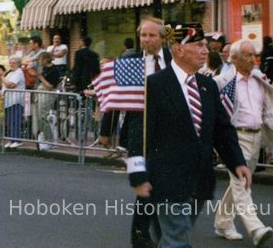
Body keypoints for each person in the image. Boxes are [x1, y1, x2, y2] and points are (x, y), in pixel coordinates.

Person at [127, 23, 250, 248]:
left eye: (206, 46)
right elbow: (138, 132)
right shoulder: (154, 85)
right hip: (167, 180)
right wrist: (137, 174)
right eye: (199, 45)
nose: (206, 50)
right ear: (179, 49)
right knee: (177, 239)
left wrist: (237, 162)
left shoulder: (208, 86)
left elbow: (222, 129)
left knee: (175, 237)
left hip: (200, 181)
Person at [212, 39, 273, 245]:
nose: (253, 59)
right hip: (235, 137)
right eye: (248, 56)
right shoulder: (223, 81)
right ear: (235, 59)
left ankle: (223, 223)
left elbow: (270, 105)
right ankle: (255, 227)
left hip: (256, 136)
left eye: (254, 55)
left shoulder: (259, 79)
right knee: (242, 182)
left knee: (238, 183)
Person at [104, 16, 171, 248]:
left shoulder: (174, 61)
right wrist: (106, 130)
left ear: (162, 38)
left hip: (167, 133)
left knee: (161, 185)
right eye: (143, 35)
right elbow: (114, 97)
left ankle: (160, 231)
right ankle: (140, 236)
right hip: (138, 133)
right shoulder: (130, 61)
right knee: (143, 181)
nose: (146, 40)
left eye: (152, 35)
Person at [36, 51, 61, 151]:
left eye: (40, 60)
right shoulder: (44, 69)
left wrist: (41, 77)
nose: (39, 62)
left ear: (45, 60)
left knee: (43, 116)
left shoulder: (54, 70)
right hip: (42, 93)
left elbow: (51, 86)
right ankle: (47, 138)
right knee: (41, 116)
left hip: (48, 94)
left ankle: (49, 140)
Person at [2, 56, 25, 149]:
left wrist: (2, 78)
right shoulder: (10, 73)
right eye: (10, 63)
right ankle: (12, 139)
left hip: (16, 100)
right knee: (10, 121)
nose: (11, 64)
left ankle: (17, 140)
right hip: (9, 100)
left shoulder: (19, 73)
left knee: (15, 120)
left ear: (18, 64)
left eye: (13, 63)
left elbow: (10, 85)